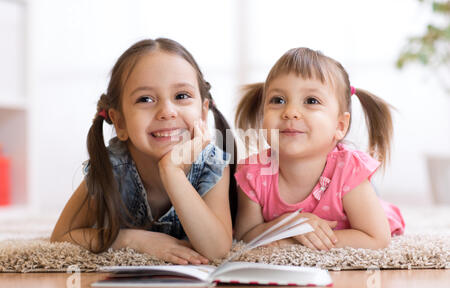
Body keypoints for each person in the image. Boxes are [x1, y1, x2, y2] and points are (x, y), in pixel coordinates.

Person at [50, 38, 237, 264]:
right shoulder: (113, 167)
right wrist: (133, 240)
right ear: (119, 123)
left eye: (181, 96)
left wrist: (172, 172)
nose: (167, 112)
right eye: (145, 99)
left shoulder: (211, 164)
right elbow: (62, 236)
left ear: (203, 112)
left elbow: (217, 251)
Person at [234, 47, 405, 251]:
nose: (290, 112)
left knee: (370, 206)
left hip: (347, 195)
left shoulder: (348, 170)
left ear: (339, 126)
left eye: (311, 101)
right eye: (278, 100)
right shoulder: (253, 173)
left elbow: (376, 238)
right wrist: (288, 226)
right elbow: (245, 236)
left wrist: (299, 241)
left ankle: (374, 197)